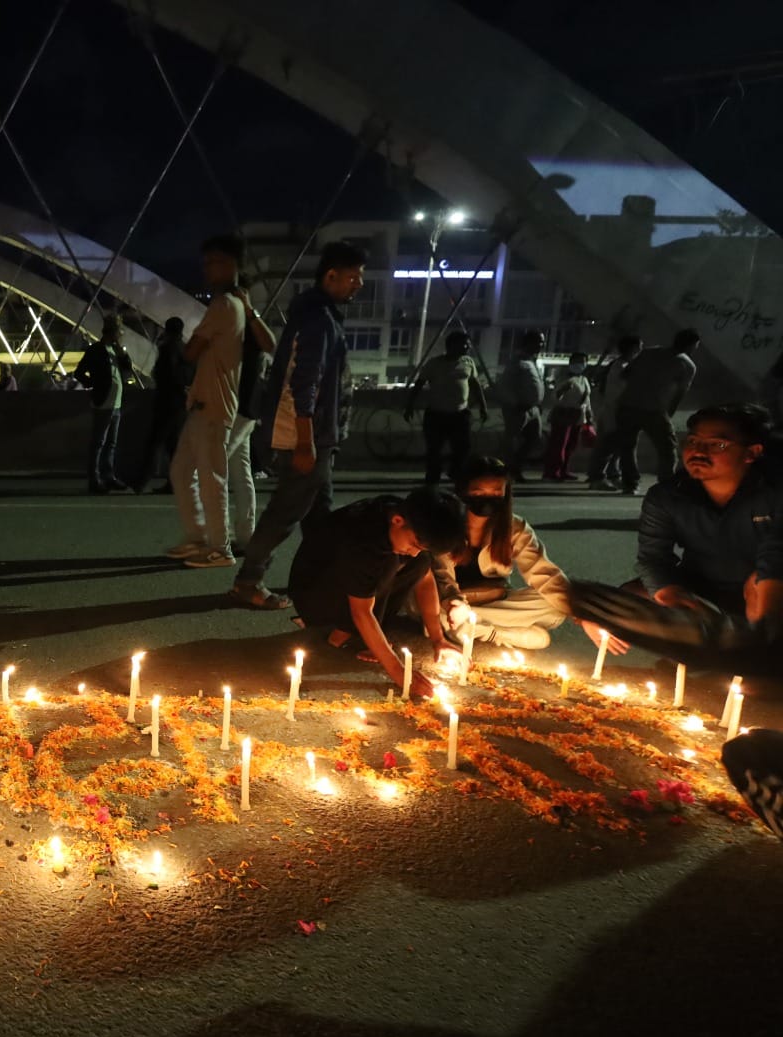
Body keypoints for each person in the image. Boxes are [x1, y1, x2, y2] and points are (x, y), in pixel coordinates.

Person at [228, 241, 368, 608]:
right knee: (285, 512)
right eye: (353, 277)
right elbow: (304, 383)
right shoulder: (318, 320)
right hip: (305, 436)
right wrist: (306, 442)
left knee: (319, 515)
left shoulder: (317, 315)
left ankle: (319, 580)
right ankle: (249, 580)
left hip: (316, 436)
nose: (359, 284)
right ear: (331, 276)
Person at [429, 456, 626, 652]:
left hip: (494, 603)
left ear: (505, 493)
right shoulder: (446, 525)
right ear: (463, 491)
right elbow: (443, 576)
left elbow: (543, 573)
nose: (487, 499)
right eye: (479, 492)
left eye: (496, 492)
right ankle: (489, 631)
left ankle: (477, 629)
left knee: (554, 607)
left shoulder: (514, 527)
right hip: (450, 604)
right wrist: (455, 603)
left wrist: (582, 615)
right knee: (438, 615)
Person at [286, 488, 467, 699]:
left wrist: (438, 639)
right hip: (315, 593)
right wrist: (401, 674)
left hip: (351, 581)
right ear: (398, 521)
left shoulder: (403, 517)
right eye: (414, 544)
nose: (413, 551)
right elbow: (362, 612)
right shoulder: (364, 539)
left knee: (420, 562)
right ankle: (340, 634)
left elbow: (425, 579)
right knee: (388, 564)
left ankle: (363, 634)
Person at [166, 234, 277, 569]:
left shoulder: (228, 306)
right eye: (207, 263)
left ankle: (219, 546)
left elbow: (191, 352)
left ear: (235, 266)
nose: (208, 269)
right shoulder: (237, 308)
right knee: (217, 472)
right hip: (229, 404)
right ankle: (225, 537)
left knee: (211, 475)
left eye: (215, 262)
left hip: (226, 405)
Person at [634, 403, 783, 626]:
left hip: (766, 585)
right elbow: (653, 558)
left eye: (717, 444)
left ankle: (762, 642)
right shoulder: (668, 496)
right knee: (625, 597)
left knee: (761, 587)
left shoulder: (774, 492)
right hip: (701, 585)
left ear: (752, 452)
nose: (698, 452)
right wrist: (669, 592)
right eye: (693, 441)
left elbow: (775, 558)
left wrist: (767, 611)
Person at [596, 328, 700, 496]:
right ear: (692, 345)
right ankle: (665, 483)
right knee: (667, 448)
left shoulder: (648, 352)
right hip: (654, 410)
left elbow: (625, 374)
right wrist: (668, 413)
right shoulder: (687, 365)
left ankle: (630, 484)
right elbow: (679, 395)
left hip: (628, 405)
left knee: (627, 447)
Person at [404, 330, 486, 485]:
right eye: (465, 344)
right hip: (436, 415)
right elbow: (419, 385)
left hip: (460, 414)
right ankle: (433, 480)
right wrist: (409, 406)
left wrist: (483, 406)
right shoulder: (434, 364)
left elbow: (475, 385)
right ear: (452, 345)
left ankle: (456, 473)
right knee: (434, 450)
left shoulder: (468, 362)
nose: (468, 347)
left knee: (463, 448)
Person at [71, 314, 133, 494]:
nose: (120, 335)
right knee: (98, 443)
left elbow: (128, 370)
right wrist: (93, 384)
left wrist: (123, 354)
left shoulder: (116, 351)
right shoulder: (96, 350)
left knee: (111, 443)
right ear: (112, 331)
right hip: (103, 402)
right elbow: (79, 373)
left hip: (116, 404)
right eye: (119, 331)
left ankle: (108, 476)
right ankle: (95, 479)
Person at [226, 330, 274, 552]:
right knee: (241, 473)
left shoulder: (245, 351)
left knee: (216, 467)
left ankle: (215, 536)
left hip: (239, 413)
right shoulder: (258, 353)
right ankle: (246, 535)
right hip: (249, 414)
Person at [586, 335, 642, 489]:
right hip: (616, 412)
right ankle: (597, 477)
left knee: (615, 447)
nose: (640, 350)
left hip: (616, 411)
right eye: (639, 347)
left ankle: (612, 474)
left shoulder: (621, 365)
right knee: (607, 447)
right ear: (632, 348)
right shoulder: (622, 367)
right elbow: (620, 392)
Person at [145, 316, 189, 493]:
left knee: (155, 442)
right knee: (173, 445)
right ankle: (175, 481)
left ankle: (141, 479)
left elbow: (165, 374)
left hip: (166, 402)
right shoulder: (185, 349)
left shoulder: (167, 349)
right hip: (179, 402)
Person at [496, 330, 546, 481]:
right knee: (511, 439)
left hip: (533, 408)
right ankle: (508, 469)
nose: (541, 345)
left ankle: (514, 466)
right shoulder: (517, 362)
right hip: (518, 408)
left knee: (535, 438)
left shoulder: (533, 361)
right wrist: (515, 403)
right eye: (539, 342)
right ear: (528, 343)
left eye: (542, 342)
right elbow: (505, 386)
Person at [541, 353, 593, 481]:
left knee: (571, 445)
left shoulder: (583, 379)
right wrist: (562, 391)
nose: (580, 365)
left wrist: (589, 415)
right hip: (563, 414)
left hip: (577, 415)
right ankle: (552, 471)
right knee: (559, 444)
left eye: (583, 362)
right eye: (577, 361)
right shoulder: (563, 378)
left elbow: (586, 399)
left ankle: (564, 470)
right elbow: (554, 398)